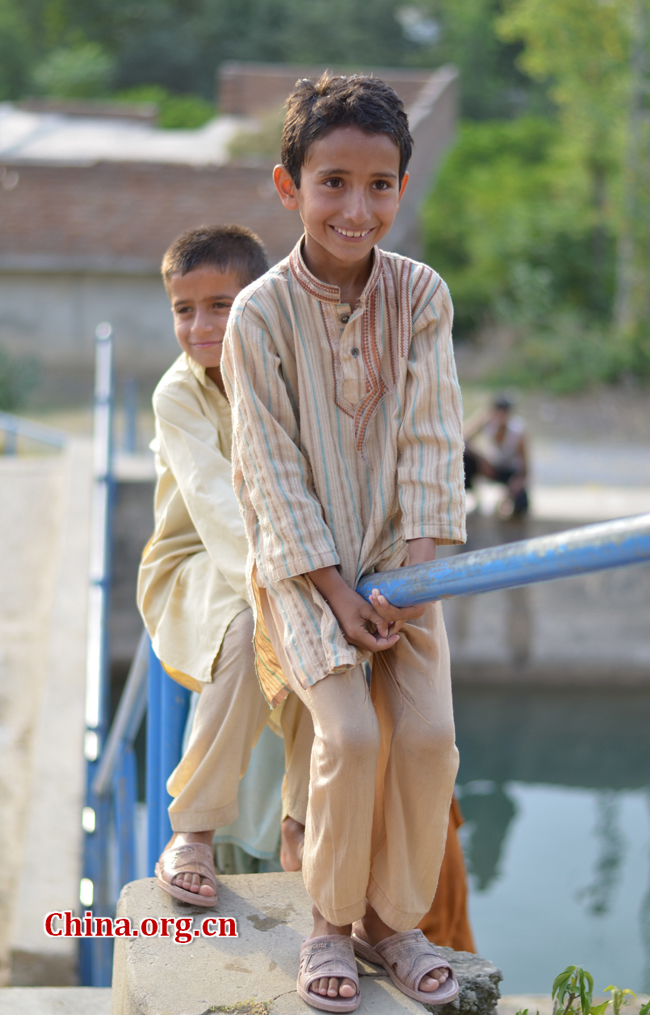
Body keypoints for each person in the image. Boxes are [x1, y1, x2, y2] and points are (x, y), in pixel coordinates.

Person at [222, 74, 466, 1011]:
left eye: (378, 185)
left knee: (432, 740)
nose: (356, 208)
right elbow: (270, 472)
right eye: (332, 183)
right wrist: (336, 591)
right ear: (289, 187)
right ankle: (328, 923)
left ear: (403, 187)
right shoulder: (259, 314)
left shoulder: (423, 297)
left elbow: (434, 441)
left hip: (407, 563)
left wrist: (409, 584)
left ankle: (392, 923)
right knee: (355, 734)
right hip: (306, 572)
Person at [137, 224, 311, 905]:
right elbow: (214, 504)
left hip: (289, 555)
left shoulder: (288, 371)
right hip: (199, 560)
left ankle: (303, 821)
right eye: (185, 309)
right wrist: (285, 588)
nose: (200, 325)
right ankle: (197, 829)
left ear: (260, 303)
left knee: (335, 646)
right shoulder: (176, 394)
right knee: (251, 629)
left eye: (221, 305)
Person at [464, 396, 529, 517]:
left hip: (510, 471)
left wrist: (515, 486)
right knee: (465, 459)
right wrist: (481, 459)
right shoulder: (487, 422)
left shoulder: (517, 432)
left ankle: (507, 503)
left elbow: (525, 467)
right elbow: (462, 440)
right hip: (491, 466)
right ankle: (473, 497)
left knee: (522, 505)